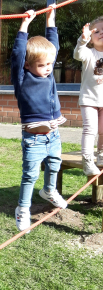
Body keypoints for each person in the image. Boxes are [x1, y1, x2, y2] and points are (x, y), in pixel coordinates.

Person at [11, 6, 68, 233]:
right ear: (27, 65)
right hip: (33, 138)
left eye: (50, 64)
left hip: (52, 135)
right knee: (30, 174)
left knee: (55, 164)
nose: (47, 69)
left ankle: (49, 191)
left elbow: (52, 45)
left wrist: (50, 18)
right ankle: (23, 209)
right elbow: (17, 54)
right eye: (42, 65)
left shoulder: (49, 74)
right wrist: (25, 23)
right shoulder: (22, 79)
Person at [73, 16, 103, 176]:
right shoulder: (88, 52)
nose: (101, 33)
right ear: (91, 38)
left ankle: (102, 154)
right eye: (97, 31)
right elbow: (77, 54)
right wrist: (82, 40)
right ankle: (87, 161)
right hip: (89, 99)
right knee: (90, 129)